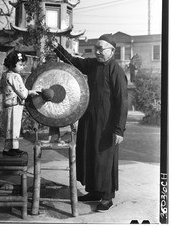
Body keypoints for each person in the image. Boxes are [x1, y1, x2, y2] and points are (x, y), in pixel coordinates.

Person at [51, 34, 128, 212]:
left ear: (112, 51)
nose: (98, 52)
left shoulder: (116, 71)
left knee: (104, 159)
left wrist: (119, 129)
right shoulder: (92, 64)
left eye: (102, 49)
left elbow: (122, 102)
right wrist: (57, 47)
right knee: (89, 155)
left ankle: (107, 197)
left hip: (107, 125)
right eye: (96, 48)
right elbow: (72, 61)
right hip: (89, 120)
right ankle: (94, 191)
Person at [0, 50, 38, 157]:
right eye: (20, 65)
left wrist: (8, 93)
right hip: (15, 105)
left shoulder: (5, 75)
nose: (22, 67)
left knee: (9, 127)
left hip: (7, 104)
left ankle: (8, 148)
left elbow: (0, 87)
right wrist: (30, 92)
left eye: (23, 65)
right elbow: (23, 93)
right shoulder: (15, 76)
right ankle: (13, 148)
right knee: (15, 126)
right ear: (12, 64)